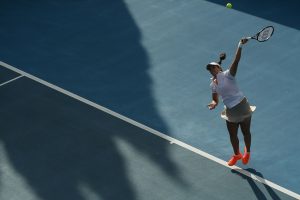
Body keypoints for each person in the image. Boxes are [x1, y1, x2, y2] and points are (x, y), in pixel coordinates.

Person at [206, 38, 256, 166]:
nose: (211, 70)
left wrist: (239, 45)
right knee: (233, 135)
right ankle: (236, 154)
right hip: (230, 110)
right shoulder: (212, 84)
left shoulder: (229, 74)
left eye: (213, 68)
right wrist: (213, 103)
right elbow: (215, 99)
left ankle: (247, 153)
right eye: (210, 69)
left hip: (242, 106)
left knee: (246, 132)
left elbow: (236, 60)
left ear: (219, 68)